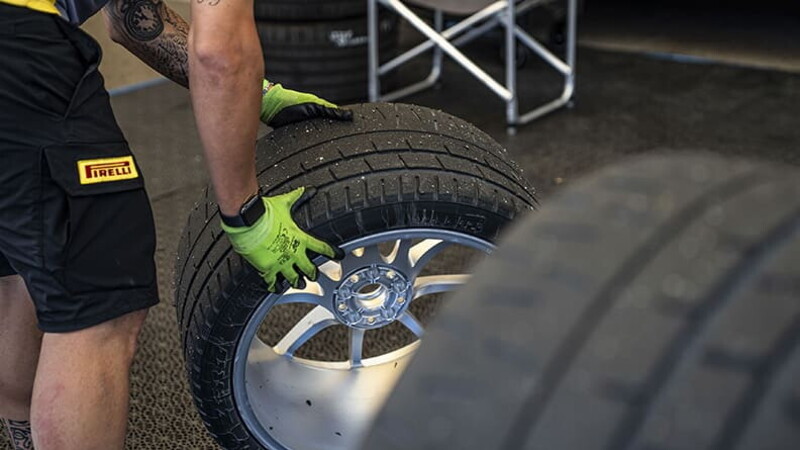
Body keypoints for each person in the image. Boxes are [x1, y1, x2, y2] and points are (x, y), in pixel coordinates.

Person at [0, 0, 350, 447]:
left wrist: (256, 93)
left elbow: (133, 19)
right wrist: (246, 213)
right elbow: (217, 53)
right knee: (95, 306)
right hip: (17, 53)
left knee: (17, 265)